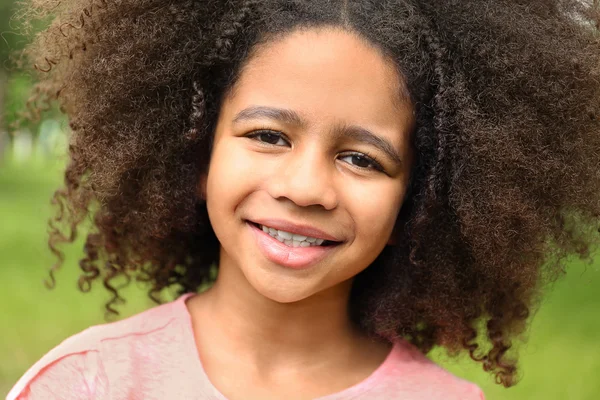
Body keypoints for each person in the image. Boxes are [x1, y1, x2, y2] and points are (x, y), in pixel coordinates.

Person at [7, 0, 600, 399]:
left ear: (415, 205)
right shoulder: (87, 384)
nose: (305, 187)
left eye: (362, 159)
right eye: (268, 136)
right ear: (196, 155)